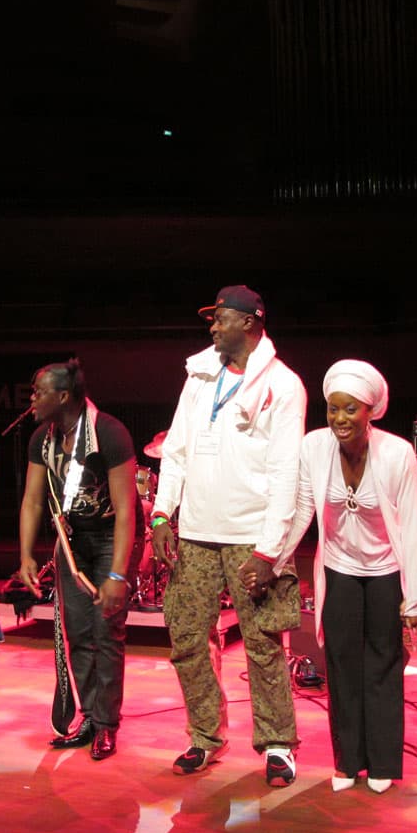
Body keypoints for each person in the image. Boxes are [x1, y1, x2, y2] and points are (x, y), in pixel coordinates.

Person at [151, 285, 306, 787]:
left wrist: (270, 550)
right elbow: (174, 451)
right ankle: (204, 735)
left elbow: (286, 474)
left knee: (262, 642)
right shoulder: (199, 378)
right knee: (188, 637)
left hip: (251, 538)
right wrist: (160, 514)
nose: (212, 327)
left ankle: (278, 744)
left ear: (250, 322)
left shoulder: (284, 386)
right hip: (195, 533)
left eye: (220, 319)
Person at [278, 360, 417, 794]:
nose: (339, 419)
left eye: (350, 410)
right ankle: (348, 762)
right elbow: (304, 508)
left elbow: (412, 523)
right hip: (338, 568)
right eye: (332, 410)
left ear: (370, 411)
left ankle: (382, 762)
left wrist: (414, 598)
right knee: (342, 668)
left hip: (385, 570)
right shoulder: (313, 446)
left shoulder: (397, 452)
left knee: (382, 665)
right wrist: (274, 558)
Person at [18, 359, 136, 761]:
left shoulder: (108, 432)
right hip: (71, 543)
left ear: (63, 396)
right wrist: (25, 556)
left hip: (106, 539)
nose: (32, 399)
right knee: (79, 634)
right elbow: (33, 500)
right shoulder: (42, 438)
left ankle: (107, 724)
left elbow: (125, 510)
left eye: (38, 391)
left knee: (107, 634)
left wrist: (118, 572)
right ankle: (89, 717)